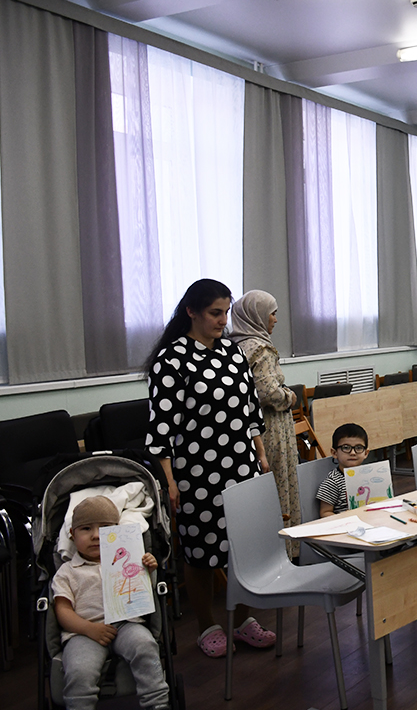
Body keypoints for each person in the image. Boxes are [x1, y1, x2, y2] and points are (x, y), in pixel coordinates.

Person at [144, 278, 276, 658]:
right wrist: (169, 480)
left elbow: (250, 411)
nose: (222, 321)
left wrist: (261, 455)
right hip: (196, 472)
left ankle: (244, 622)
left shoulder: (233, 353)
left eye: (226, 313)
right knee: (201, 552)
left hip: (242, 465)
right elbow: (161, 426)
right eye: (215, 313)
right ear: (192, 312)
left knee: (245, 546)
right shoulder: (171, 359)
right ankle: (206, 627)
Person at [53, 496, 170, 710]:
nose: (96, 535)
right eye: (86, 529)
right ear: (72, 534)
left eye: (105, 529)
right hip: (83, 632)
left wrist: (149, 567)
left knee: (145, 646)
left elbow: (144, 588)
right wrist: (89, 629)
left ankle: (158, 703)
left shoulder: (132, 560)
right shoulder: (67, 572)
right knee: (78, 669)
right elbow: (62, 610)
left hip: (126, 623)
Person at [230, 290, 300, 559]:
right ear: (257, 315)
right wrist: (289, 396)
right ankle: (284, 553)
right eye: (272, 313)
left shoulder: (233, 346)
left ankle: (260, 554)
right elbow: (268, 393)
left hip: (247, 428)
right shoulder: (261, 348)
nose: (275, 319)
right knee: (279, 486)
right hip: (271, 428)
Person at [316, 423, 369, 517]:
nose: (353, 453)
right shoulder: (332, 482)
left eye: (359, 448)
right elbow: (325, 512)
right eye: (346, 448)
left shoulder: (369, 475)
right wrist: (343, 517)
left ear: (366, 453)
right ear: (334, 453)